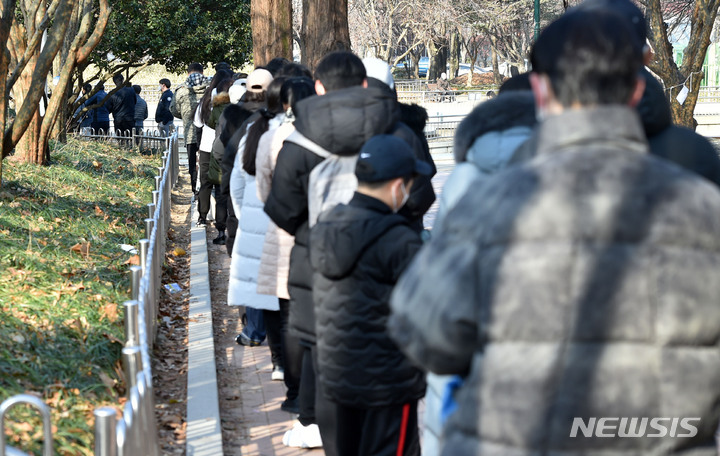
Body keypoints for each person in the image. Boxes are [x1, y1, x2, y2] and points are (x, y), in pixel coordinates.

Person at [389, 8, 720, 455]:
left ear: (541, 92)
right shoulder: (704, 209)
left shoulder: (490, 204)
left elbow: (422, 331)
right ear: (638, 88)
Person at [263, 51, 433, 452]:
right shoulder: (398, 130)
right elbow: (421, 193)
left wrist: (321, 231)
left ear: (318, 86)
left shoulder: (301, 134)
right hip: (395, 264)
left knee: (328, 365)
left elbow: (282, 207)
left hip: (319, 261)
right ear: (363, 85)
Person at [310, 135, 430, 456]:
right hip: (387, 384)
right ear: (396, 187)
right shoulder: (399, 240)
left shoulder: (326, 225)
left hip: (335, 377)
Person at [255, 76, 316, 413]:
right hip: (319, 232)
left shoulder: (274, 135)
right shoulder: (326, 131)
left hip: (282, 231)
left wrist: (279, 211)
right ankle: (313, 389)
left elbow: (263, 185)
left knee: (288, 313)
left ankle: (295, 391)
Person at [194, 69, 233, 225]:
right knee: (222, 183)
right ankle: (223, 220)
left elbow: (197, 122)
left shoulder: (206, 99)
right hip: (225, 146)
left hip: (206, 145)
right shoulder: (232, 99)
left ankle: (202, 216)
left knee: (205, 182)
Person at [170, 63, 208, 195]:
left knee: (192, 163)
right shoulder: (211, 89)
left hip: (190, 133)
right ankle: (208, 188)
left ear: (188, 73)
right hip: (209, 133)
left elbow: (173, 110)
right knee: (208, 162)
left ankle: (194, 189)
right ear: (202, 72)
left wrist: (186, 116)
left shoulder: (181, 91)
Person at [105, 73, 136, 142]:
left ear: (114, 82)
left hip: (118, 119)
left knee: (120, 139)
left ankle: (122, 148)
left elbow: (108, 107)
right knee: (130, 139)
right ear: (123, 80)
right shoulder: (131, 90)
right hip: (129, 118)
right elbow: (135, 102)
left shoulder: (112, 93)